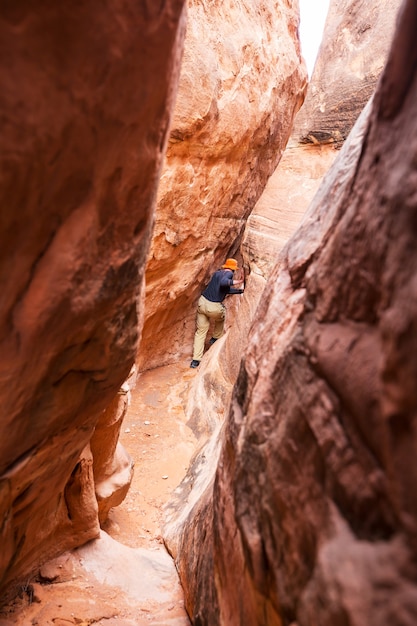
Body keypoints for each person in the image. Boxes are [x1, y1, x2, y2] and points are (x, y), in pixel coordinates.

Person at [190, 258, 244, 368]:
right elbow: (224, 283)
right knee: (222, 315)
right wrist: (238, 282)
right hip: (213, 307)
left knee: (200, 332)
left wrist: (239, 291)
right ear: (233, 269)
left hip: (202, 303)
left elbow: (224, 288)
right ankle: (215, 338)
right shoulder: (229, 274)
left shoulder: (217, 273)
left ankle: (195, 361)